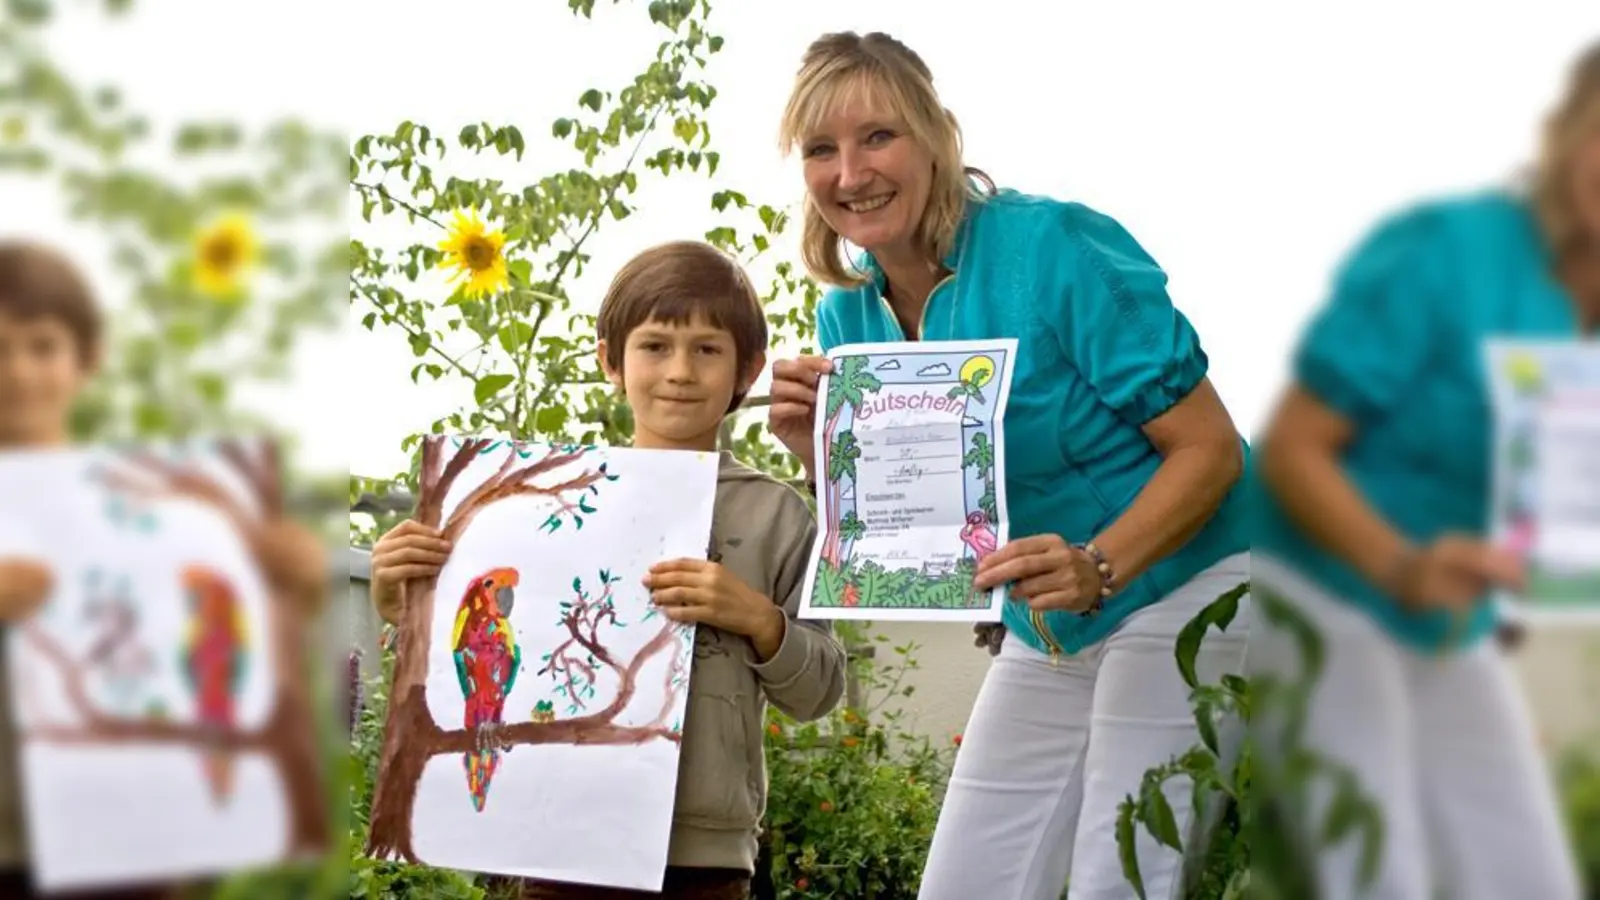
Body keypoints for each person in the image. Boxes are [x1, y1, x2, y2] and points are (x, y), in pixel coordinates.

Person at [766, 31, 1253, 900]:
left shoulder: (1053, 248)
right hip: (1049, 620)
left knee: (1125, 876)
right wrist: (821, 456)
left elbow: (1211, 448)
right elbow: (911, 535)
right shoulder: (847, 319)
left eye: (879, 136)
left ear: (936, 136)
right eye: (821, 150)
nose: (851, 173)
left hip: (1190, 580)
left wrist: (1098, 562)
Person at [368, 240, 848, 900]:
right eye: (655, 346)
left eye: (707, 349)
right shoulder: (542, 503)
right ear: (610, 361)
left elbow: (820, 691)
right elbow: (473, 658)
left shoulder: (778, 515)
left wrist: (758, 619)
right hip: (563, 837)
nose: (680, 370)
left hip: (705, 855)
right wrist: (402, 598)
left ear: (749, 368)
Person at [1250, 43, 1597, 900]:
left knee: (1529, 874)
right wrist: (1399, 564)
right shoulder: (1448, 252)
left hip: (1450, 611)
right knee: (1375, 874)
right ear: (1571, 131)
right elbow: (1294, 445)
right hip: (1322, 589)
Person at [0, 240, 328, 900]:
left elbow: (227, 656)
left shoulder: (153, 512)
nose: (18, 372)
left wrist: (288, 582)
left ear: (86, 359)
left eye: (42, 346)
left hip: (126, 841)